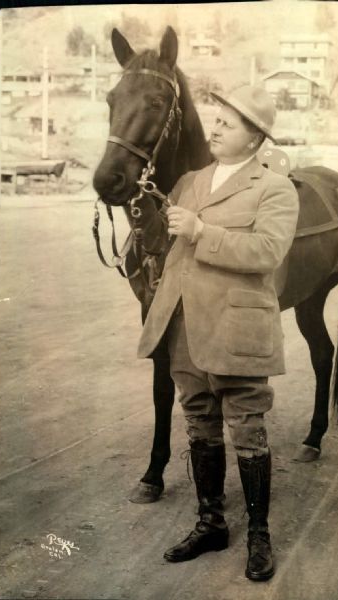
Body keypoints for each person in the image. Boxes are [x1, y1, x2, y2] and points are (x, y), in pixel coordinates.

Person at [137, 85, 299, 581]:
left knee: (247, 428)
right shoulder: (190, 180)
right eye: (218, 117)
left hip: (235, 326)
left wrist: (203, 233)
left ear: (255, 139)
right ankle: (211, 523)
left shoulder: (275, 188)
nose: (219, 125)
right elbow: (172, 244)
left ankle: (258, 533)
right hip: (184, 323)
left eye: (231, 121)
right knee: (199, 422)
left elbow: (267, 254)